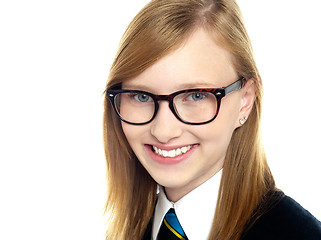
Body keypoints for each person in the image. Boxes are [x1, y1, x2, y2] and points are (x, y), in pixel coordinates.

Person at [103, 0, 321, 239]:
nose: (163, 131)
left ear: (245, 100)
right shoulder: (130, 228)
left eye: (196, 95)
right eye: (141, 96)